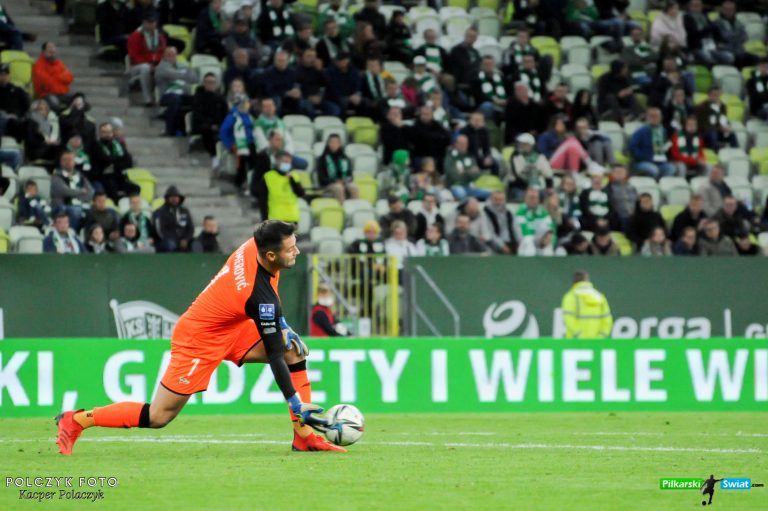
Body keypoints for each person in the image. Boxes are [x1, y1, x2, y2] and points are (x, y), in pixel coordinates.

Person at [55, 220, 342, 455]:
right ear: (270, 255)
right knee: (159, 416)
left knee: (294, 350)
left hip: (232, 324)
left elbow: (272, 303)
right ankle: (77, 420)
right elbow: (274, 355)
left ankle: (303, 437)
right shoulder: (257, 295)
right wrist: (295, 403)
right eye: (291, 249)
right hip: (199, 338)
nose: (297, 252)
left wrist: (283, 325)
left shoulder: (255, 245)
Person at [126, 11, 168, 106]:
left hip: (155, 63)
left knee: (165, 67)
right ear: (144, 23)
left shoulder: (160, 36)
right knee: (145, 68)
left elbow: (162, 51)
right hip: (137, 66)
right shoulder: (136, 36)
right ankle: (147, 98)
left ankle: (164, 97)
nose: (151, 25)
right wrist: (150, 63)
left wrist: (156, 63)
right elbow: (134, 55)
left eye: (153, 22)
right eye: (148, 22)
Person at [155, 47, 197, 137]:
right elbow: (169, 74)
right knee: (175, 99)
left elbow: (194, 79)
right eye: (168, 55)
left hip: (184, 94)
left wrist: (179, 74)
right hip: (167, 95)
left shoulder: (184, 66)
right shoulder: (161, 67)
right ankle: (169, 130)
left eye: (173, 55)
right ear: (164, 56)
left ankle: (193, 130)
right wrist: (184, 75)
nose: (171, 57)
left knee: (198, 99)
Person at [91, 122, 138, 201]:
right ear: (100, 133)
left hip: (119, 176)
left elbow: (128, 160)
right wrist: (118, 160)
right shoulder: (95, 145)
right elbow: (103, 160)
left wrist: (113, 163)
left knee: (135, 188)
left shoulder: (118, 144)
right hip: (104, 177)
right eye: (104, 132)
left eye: (109, 132)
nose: (107, 134)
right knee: (112, 188)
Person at [561, 270, 613, 339]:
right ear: (587, 280)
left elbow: (569, 319)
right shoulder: (599, 296)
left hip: (575, 342)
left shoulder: (570, 296)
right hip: (597, 342)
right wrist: (601, 337)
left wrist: (580, 336)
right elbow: (607, 320)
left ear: (573, 282)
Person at [219, 96, 256, 191]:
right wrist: (230, 144)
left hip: (251, 144)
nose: (247, 105)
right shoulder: (232, 117)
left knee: (254, 162)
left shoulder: (249, 116)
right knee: (242, 164)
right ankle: (239, 183)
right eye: (245, 103)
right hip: (238, 145)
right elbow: (223, 132)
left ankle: (251, 181)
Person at [50, 151, 94, 231]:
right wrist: (81, 191)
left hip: (80, 204)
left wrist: (80, 198)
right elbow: (64, 191)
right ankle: (71, 233)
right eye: (65, 160)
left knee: (95, 212)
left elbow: (90, 191)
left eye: (70, 159)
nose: (68, 162)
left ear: (74, 162)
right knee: (75, 210)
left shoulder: (80, 176)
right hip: (62, 206)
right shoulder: (56, 176)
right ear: (61, 162)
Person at [192, 73, 229, 166]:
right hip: (204, 125)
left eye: (213, 82)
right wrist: (210, 125)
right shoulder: (198, 97)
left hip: (219, 124)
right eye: (208, 82)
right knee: (207, 130)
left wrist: (220, 125)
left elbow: (225, 114)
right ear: (204, 83)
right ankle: (214, 156)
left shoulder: (221, 98)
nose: (210, 84)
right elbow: (197, 114)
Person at [629, 107, 677, 179]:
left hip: (660, 162)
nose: (655, 118)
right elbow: (633, 147)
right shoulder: (641, 131)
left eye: (657, 116)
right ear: (647, 117)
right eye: (652, 116)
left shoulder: (663, 131)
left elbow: (666, 146)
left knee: (671, 168)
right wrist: (644, 157)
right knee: (653, 169)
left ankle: (662, 184)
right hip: (643, 161)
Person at [684, 0, 732, 66]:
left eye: (699, 5)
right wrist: (706, 30)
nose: (697, 7)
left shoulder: (705, 17)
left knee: (729, 57)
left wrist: (720, 41)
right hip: (696, 48)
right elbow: (692, 36)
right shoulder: (686, 18)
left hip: (711, 46)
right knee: (707, 56)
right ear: (690, 7)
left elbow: (715, 31)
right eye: (695, 5)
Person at [406, 106, 451, 174]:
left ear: (432, 115)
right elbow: (422, 139)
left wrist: (432, 138)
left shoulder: (437, 125)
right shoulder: (415, 127)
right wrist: (436, 138)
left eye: (427, 114)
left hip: (437, 155)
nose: (425, 116)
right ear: (420, 115)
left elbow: (446, 138)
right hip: (421, 156)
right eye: (423, 114)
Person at [263, 151, 305, 223]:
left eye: (289, 162)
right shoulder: (268, 176)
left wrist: (292, 180)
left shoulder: (294, 175)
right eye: (285, 162)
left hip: (292, 217)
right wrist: (264, 218)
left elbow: (301, 193)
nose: (287, 164)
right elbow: (262, 199)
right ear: (278, 162)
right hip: (276, 217)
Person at [509, 132, 553, 199]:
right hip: (520, 187)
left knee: (546, 196)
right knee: (520, 195)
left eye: (523, 144)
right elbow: (516, 174)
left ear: (530, 145)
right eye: (520, 144)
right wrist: (528, 187)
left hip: (538, 186)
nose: (520, 146)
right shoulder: (515, 156)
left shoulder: (540, 157)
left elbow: (548, 174)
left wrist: (549, 187)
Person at [317, 134, 358, 203]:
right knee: (338, 187)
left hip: (344, 182)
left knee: (354, 187)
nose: (334, 144)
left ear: (339, 144)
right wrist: (335, 181)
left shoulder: (345, 158)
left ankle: (354, 207)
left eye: (336, 142)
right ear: (328, 144)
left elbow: (350, 176)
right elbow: (321, 178)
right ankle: (342, 207)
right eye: (332, 142)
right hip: (328, 185)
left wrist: (344, 181)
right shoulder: (322, 159)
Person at [514, 188, 556, 256]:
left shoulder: (544, 213)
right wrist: (540, 239)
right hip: (524, 245)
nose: (532, 200)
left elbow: (550, 231)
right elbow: (524, 233)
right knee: (528, 240)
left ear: (538, 199)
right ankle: (529, 263)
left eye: (535, 198)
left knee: (548, 246)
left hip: (540, 244)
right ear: (525, 199)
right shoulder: (520, 212)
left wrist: (547, 239)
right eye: (530, 197)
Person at [152, 185, 194, 252]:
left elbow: (190, 228)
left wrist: (186, 239)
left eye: (176, 197)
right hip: (165, 241)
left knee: (195, 244)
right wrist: (177, 240)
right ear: (167, 198)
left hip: (183, 240)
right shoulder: (159, 212)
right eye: (172, 197)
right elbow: (160, 232)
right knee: (171, 245)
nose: (174, 199)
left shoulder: (184, 211)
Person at [694, 86, 738, 151]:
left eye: (718, 95)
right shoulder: (701, 107)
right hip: (704, 132)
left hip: (718, 131)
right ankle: (716, 153)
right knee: (713, 134)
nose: (717, 97)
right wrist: (719, 128)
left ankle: (736, 152)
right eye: (714, 95)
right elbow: (704, 126)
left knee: (731, 134)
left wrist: (727, 127)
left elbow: (724, 120)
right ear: (709, 95)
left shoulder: (722, 106)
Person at [32, 42, 73, 107]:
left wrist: (54, 77)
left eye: (53, 48)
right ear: (43, 52)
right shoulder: (39, 65)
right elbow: (46, 83)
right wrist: (61, 78)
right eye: (49, 49)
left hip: (63, 94)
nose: (52, 50)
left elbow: (69, 78)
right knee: (54, 103)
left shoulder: (59, 63)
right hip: (47, 95)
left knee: (79, 99)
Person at [25, 99, 60, 165]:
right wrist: (44, 140)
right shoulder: (30, 122)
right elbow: (30, 141)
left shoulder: (48, 124)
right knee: (58, 149)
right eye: (40, 109)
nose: (43, 112)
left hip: (46, 149)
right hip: (35, 151)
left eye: (45, 109)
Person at [0, 63, 30, 140]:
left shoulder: (18, 90)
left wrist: (18, 115)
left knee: (35, 117)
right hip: (4, 121)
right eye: (1, 74)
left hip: (18, 119)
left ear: (9, 76)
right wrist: (6, 116)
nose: (4, 77)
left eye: (6, 74)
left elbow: (27, 107)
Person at [605, 164, 637, 232]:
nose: (619, 174)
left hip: (634, 216)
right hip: (618, 217)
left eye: (622, 172)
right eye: (617, 172)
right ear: (612, 173)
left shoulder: (631, 187)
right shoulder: (609, 188)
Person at [483, 191, 515, 255]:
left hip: (510, 243)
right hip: (494, 244)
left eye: (501, 199)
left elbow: (515, 229)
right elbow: (490, 232)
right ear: (491, 199)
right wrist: (502, 245)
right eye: (496, 199)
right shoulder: (486, 212)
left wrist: (519, 243)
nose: (498, 202)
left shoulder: (508, 213)